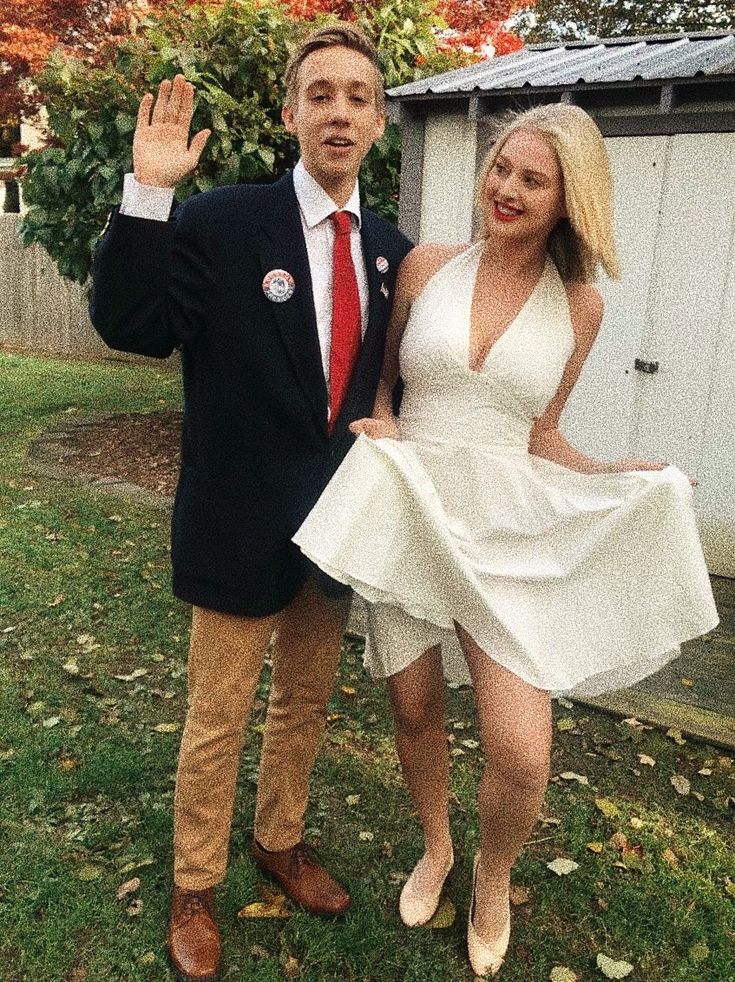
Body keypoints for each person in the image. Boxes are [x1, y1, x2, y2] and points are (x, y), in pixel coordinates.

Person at [293, 103, 719, 976]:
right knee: (412, 706)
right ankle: (439, 847)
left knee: (521, 752)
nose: (507, 190)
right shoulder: (424, 266)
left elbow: (543, 432)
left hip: (507, 533)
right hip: (411, 511)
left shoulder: (581, 306)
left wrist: (618, 475)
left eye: (533, 179)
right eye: (500, 169)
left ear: (569, 199)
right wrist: (379, 427)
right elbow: (383, 386)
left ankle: (491, 878)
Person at [89, 23, 412, 982]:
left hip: (334, 530)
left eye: (358, 95)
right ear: (290, 114)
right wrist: (149, 196)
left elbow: (386, 389)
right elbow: (133, 324)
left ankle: (279, 839)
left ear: (381, 119)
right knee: (218, 714)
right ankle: (196, 883)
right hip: (237, 522)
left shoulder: (391, 254)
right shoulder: (225, 224)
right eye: (321, 94)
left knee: (304, 706)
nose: (340, 111)